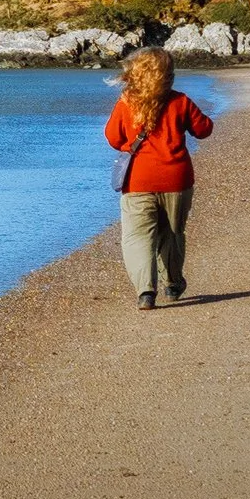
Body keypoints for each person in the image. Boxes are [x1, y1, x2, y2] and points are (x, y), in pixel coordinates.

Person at [105, 47, 214, 310]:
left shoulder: (126, 103)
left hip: (138, 180)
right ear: (167, 74)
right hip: (176, 178)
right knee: (172, 233)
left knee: (137, 237)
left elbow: (113, 138)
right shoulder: (181, 101)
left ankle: (146, 291)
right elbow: (204, 130)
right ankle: (173, 283)